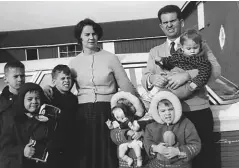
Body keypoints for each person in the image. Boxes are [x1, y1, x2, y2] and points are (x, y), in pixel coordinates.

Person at [141, 5, 221, 168]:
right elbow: (145, 78)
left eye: (173, 21)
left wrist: (186, 75)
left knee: (204, 160)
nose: (169, 25)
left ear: (181, 22)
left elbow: (216, 71)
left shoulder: (198, 44)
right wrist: (153, 78)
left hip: (196, 111)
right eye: (165, 22)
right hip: (167, 117)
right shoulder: (155, 52)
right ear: (161, 26)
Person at [60, 18, 138, 168]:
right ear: (80, 37)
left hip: (107, 111)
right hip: (82, 113)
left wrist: (138, 105)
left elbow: (125, 85)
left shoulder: (111, 58)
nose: (91, 37)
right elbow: (65, 87)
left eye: (94, 34)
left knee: (108, 153)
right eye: (87, 34)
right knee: (85, 153)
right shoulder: (74, 62)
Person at [0, 83, 54, 168]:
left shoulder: (44, 118)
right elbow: (4, 148)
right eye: (30, 99)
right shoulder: (13, 119)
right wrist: (22, 150)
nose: (34, 102)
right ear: (22, 100)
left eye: (37, 98)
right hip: (18, 164)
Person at [144, 90, 201, 168]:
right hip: (159, 164)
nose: (167, 113)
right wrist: (156, 148)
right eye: (163, 111)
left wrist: (178, 151)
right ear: (157, 112)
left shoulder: (186, 124)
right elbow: (147, 143)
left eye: (170, 109)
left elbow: (196, 145)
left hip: (181, 164)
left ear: (176, 109)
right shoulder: (151, 127)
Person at [149, 28, 212, 100]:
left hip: (188, 84)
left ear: (200, 46)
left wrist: (196, 82)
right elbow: (170, 60)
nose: (192, 51)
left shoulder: (201, 59)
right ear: (182, 47)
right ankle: (153, 94)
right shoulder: (179, 56)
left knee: (177, 92)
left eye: (195, 48)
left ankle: (166, 96)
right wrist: (162, 60)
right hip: (173, 76)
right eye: (189, 48)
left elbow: (205, 72)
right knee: (164, 79)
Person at [41, 64, 78, 168]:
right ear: (53, 81)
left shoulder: (73, 99)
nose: (66, 81)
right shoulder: (49, 96)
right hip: (53, 144)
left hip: (70, 143)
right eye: (62, 78)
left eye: (68, 78)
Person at [106, 91, 146, 167]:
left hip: (135, 145)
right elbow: (114, 134)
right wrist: (126, 132)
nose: (122, 119)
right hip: (125, 150)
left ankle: (139, 158)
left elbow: (140, 129)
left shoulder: (135, 121)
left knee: (137, 149)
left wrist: (138, 131)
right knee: (121, 153)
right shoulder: (117, 124)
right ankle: (127, 159)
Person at [0, 60, 25, 135]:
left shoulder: (32, 99)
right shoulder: (2, 103)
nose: (20, 79)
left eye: (22, 76)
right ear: (5, 79)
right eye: (15, 76)